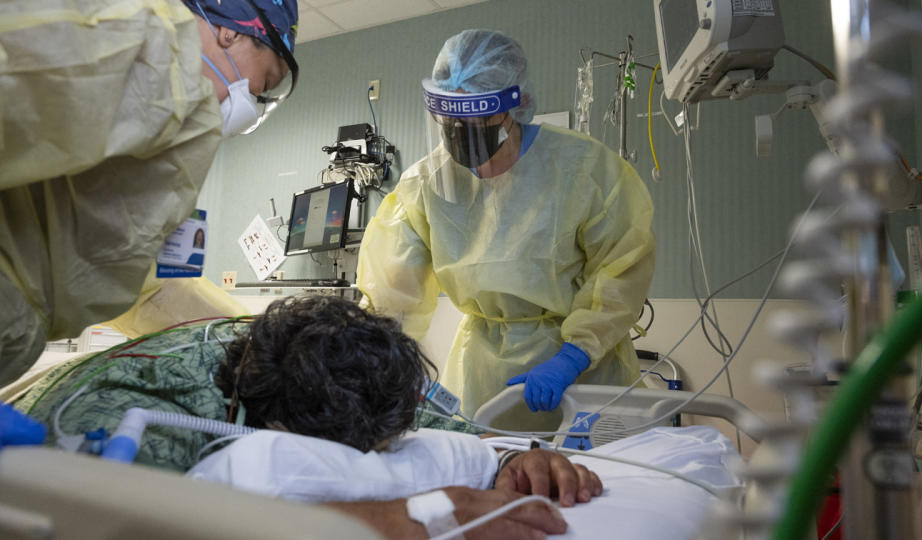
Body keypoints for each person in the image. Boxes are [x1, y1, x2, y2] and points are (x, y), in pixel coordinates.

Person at [4, 295, 598, 538]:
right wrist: (410, 516)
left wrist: (516, 455)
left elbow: (435, 426)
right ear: (291, 439)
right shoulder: (143, 423)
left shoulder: (318, 363)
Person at [357, 29, 656, 429]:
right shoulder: (424, 186)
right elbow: (392, 295)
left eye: (479, 126)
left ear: (519, 106)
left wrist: (573, 356)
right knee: (490, 476)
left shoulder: (583, 168)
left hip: (582, 373)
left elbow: (622, 268)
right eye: (451, 127)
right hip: (483, 376)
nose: (464, 145)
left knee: (589, 479)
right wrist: (374, 362)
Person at [0, 0, 298, 387]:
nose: (255, 99)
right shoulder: (150, 53)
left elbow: (131, 269)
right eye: (266, 82)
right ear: (233, 31)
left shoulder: (167, 114)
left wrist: (252, 341)